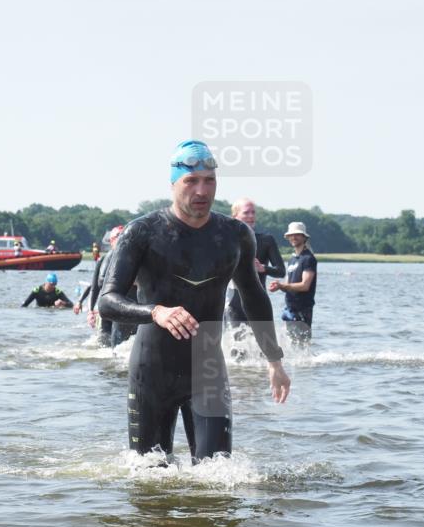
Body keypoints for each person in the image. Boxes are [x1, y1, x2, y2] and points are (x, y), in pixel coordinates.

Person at [99, 140, 290, 463]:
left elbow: (254, 297)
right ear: (173, 183)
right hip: (152, 370)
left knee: (217, 476)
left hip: (208, 370)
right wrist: (155, 311)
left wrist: (274, 361)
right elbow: (107, 301)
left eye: (209, 181)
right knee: (151, 478)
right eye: (191, 181)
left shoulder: (235, 235)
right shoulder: (142, 232)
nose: (201, 191)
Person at [226, 198, 286, 328]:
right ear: (235, 216)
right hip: (234, 304)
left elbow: (281, 271)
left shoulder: (266, 240)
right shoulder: (226, 241)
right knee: (235, 346)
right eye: (246, 213)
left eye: (253, 212)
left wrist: (263, 268)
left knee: (264, 346)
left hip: (259, 304)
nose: (251, 216)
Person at [269, 222, 317, 347]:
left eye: (297, 235)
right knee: (292, 344)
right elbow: (290, 284)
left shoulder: (308, 259)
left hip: (303, 308)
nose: (294, 237)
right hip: (290, 308)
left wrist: (282, 286)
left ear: (304, 237)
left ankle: (305, 366)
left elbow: (305, 285)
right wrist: (278, 286)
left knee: (302, 345)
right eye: (291, 235)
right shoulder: (293, 259)